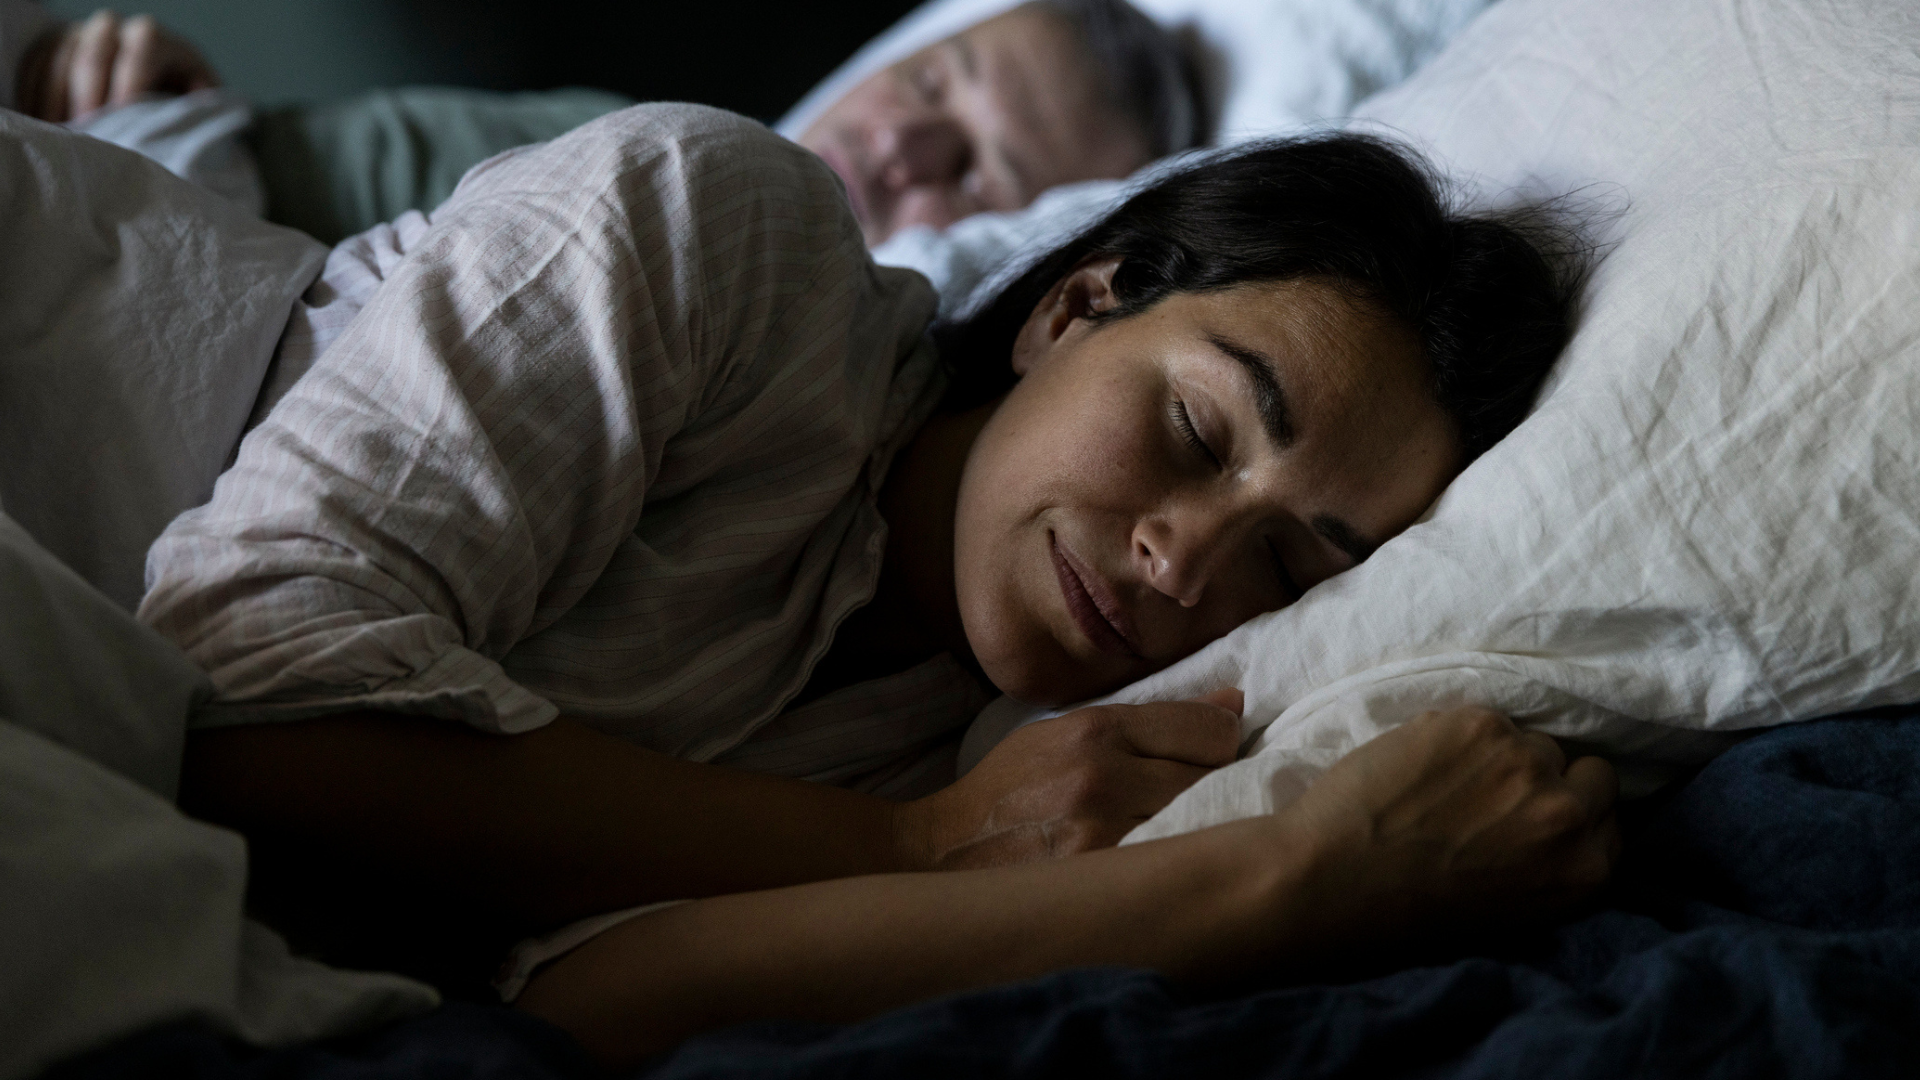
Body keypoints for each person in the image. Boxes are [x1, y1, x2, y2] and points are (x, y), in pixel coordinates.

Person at [138, 103, 1616, 1066]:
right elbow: (254, 697)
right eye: (1195, 430)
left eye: (1293, 561)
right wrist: (917, 851)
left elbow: (568, 1015)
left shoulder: (1004, 748)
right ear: (1074, 304)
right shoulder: (726, 238)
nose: (1187, 558)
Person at [4, 0, 1201, 244]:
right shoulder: (604, 127)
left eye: (980, 171)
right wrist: (155, 91)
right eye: (933, 87)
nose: (899, 144)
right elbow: (260, 163)